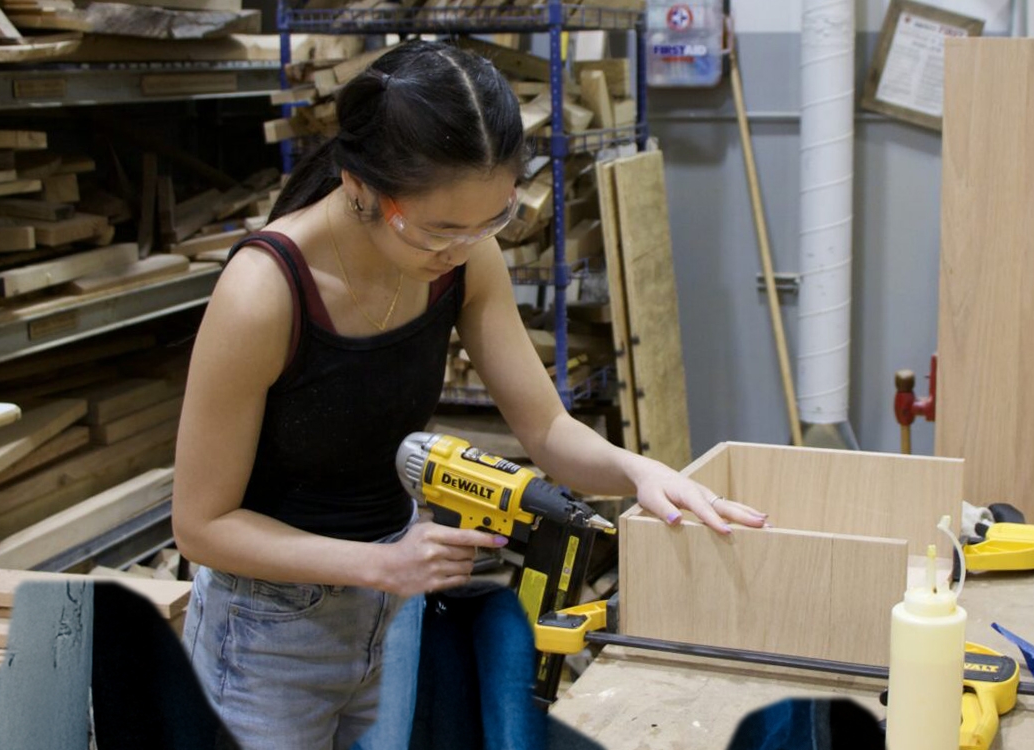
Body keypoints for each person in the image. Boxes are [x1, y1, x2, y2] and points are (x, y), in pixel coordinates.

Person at [172, 39, 768, 750]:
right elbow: (201, 525)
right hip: (266, 635)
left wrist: (642, 472)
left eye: (491, 221)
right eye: (440, 230)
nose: (462, 248)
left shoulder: (464, 259)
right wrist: (379, 564)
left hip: (391, 609)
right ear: (361, 188)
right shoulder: (262, 294)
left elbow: (546, 429)